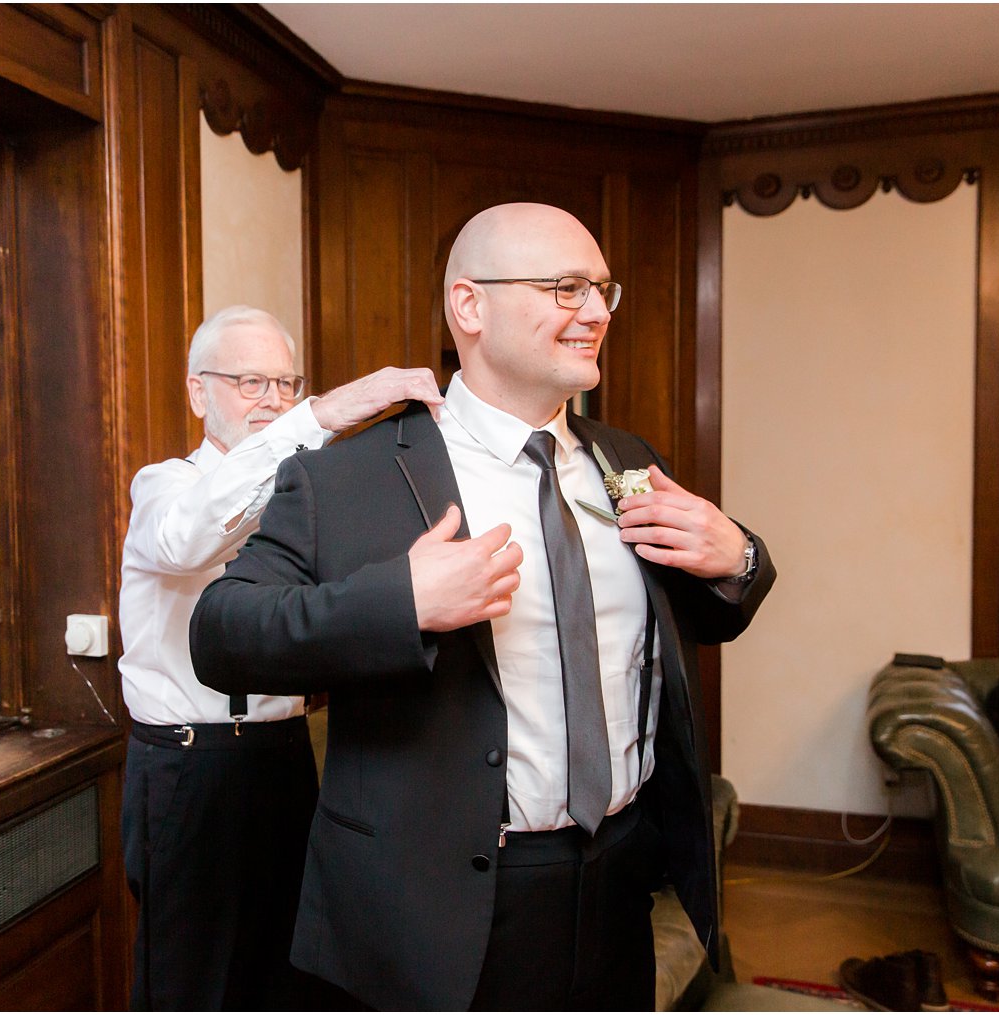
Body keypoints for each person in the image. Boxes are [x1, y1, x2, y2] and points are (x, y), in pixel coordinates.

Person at [189, 205, 776, 1011]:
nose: (598, 312)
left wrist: (737, 555)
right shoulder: (351, 477)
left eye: (604, 289)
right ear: (470, 305)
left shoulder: (626, 460)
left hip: (616, 883)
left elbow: (701, 622)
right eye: (567, 287)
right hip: (440, 909)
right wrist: (404, 602)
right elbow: (222, 632)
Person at [117, 304, 442, 1011]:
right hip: (187, 770)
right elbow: (189, 539)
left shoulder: (312, 500)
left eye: (286, 384)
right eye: (249, 382)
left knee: (294, 975)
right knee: (190, 984)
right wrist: (318, 417)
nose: (272, 400)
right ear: (199, 392)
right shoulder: (162, 487)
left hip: (286, 758)